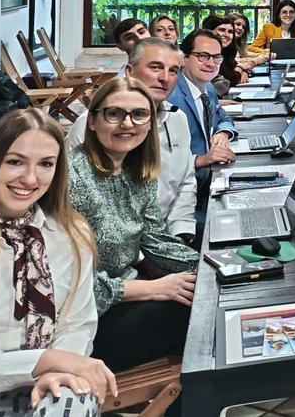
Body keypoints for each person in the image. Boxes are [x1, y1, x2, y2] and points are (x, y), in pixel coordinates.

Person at [0, 108, 113, 416]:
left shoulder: (70, 235)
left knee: (73, 398)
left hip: (52, 381)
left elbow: (77, 324)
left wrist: (60, 366)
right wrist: (38, 363)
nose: (30, 179)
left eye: (46, 164)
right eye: (15, 162)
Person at [71, 78, 199, 374]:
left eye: (139, 114)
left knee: (206, 296)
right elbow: (74, 287)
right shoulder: (73, 179)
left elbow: (157, 241)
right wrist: (152, 288)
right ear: (92, 121)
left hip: (125, 299)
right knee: (194, 317)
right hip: (87, 323)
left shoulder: (135, 171)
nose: (127, 124)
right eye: (114, 114)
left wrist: (210, 269)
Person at [67, 38, 198, 245]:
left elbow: (186, 182)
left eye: (173, 71)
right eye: (155, 67)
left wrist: (180, 233)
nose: (165, 78)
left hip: (166, 236)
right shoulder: (95, 126)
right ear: (129, 71)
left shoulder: (178, 119)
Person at [167, 29, 238, 172]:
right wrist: (202, 159)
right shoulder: (170, 98)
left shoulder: (208, 87)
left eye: (216, 57)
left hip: (210, 175)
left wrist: (223, 133)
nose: (211, 63)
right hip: (182, 185)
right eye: (203, 56)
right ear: (183, 58)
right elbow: (163, 158)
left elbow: (222, 117)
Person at [202, 14, 247, 92]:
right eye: (222, 30)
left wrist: (244, 71)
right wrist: (240, 69)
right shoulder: (204, 53)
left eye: (230, 32)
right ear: (210, 31)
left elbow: (234, 66)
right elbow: (230, 79)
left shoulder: (227, 51)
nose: (226, 35)